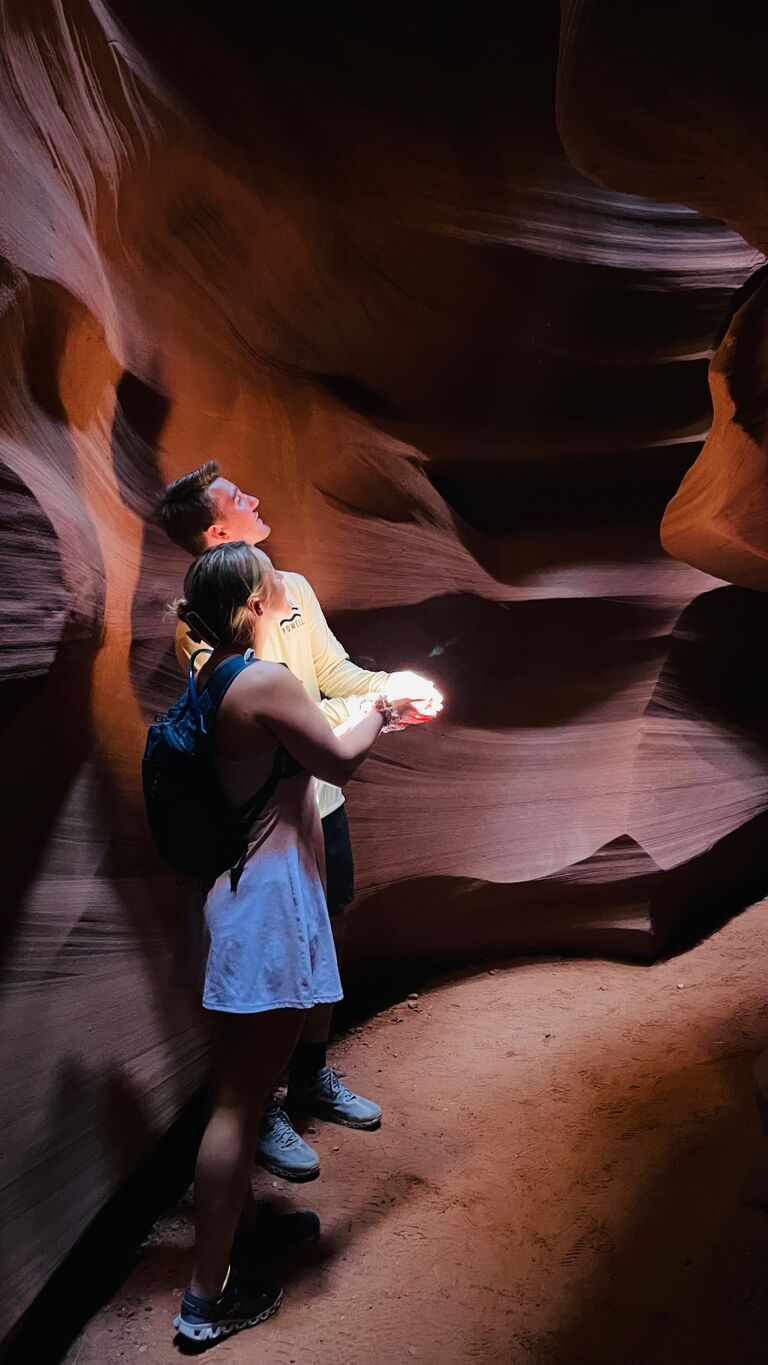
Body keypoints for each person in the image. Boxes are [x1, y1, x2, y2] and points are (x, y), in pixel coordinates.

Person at [171, 541, 433, 1343]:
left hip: (233, 892)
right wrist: (387, 708)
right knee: (242, 1098)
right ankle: (204, 1299)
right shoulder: (264, 682)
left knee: (239, 1088)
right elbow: (339, 759)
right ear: (252, 603)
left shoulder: (211, 677)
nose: (283, 591)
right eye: (272, 586)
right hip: (270, 902)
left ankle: (243, 1235)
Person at [158, 462, 441, 1181]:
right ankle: (268, 1104)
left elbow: (335, 676)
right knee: (274, 977)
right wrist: (367, 718)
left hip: (320, 813)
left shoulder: (295, 592)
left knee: (323, 939)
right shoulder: (205, 631)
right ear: (219, 533)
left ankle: (312, 1074)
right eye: (238, 499)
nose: (255, 497)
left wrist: (389, 689)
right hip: (259, 835)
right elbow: (273, 716)